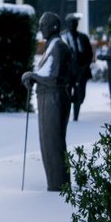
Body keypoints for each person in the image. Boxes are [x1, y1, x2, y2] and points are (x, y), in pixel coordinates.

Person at [22, 12, 73, 192]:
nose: (40, 29)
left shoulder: (58, 46)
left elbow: (53, 76)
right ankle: (55, 182)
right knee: (48, 143)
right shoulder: (52, 45)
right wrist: (34, 78)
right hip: (48, 98)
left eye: (43, 25)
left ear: (54, 27)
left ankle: (59, 184)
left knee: (54, 143)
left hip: (54, 98)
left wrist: (32, 75)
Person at [62, 13, 93, 122]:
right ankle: (67, 116)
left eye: (75, 23)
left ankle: (76, 116)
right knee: (67, 94)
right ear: (67, 24)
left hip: (81, 71)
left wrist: (85, 66)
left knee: (80, 95)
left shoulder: (83, 37)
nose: (73, 25)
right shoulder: (63, 37)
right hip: (68, 72)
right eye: (71, 23)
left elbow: (90, 54)